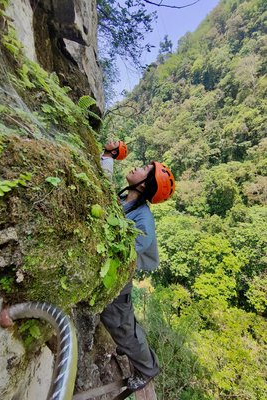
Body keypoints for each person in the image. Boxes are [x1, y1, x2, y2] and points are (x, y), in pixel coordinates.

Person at [100, 161, 175, 391]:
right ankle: (129, 341)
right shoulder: (126, 199)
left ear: (144, 186)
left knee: (120, 324)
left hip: (118, 278)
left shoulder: (143, 220)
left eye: (144, 170)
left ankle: (147, 369)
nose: (137, 168)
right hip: (113, 273)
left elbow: (135, 247)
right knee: (124, 321)